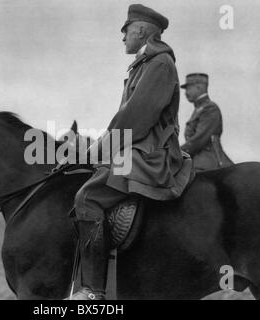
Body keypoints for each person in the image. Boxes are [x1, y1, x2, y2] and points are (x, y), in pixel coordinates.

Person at [68, 4, 194, 300]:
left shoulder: (159, 64)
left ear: (139, 30)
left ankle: (93, 290)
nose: (122, 36)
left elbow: (136, 118)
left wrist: (97, 151)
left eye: (125, 30)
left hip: (151, 154)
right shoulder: (146, 63)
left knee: (87, 197)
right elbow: (126, 119)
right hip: (138, 147)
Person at [180, 73, 234, 171]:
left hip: (208, 162)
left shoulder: (210, 108)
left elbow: (199, 139)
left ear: (199, 87)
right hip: (197, 159)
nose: (186, 93)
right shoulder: (199, 109)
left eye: (188, 88)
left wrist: (177, 152)